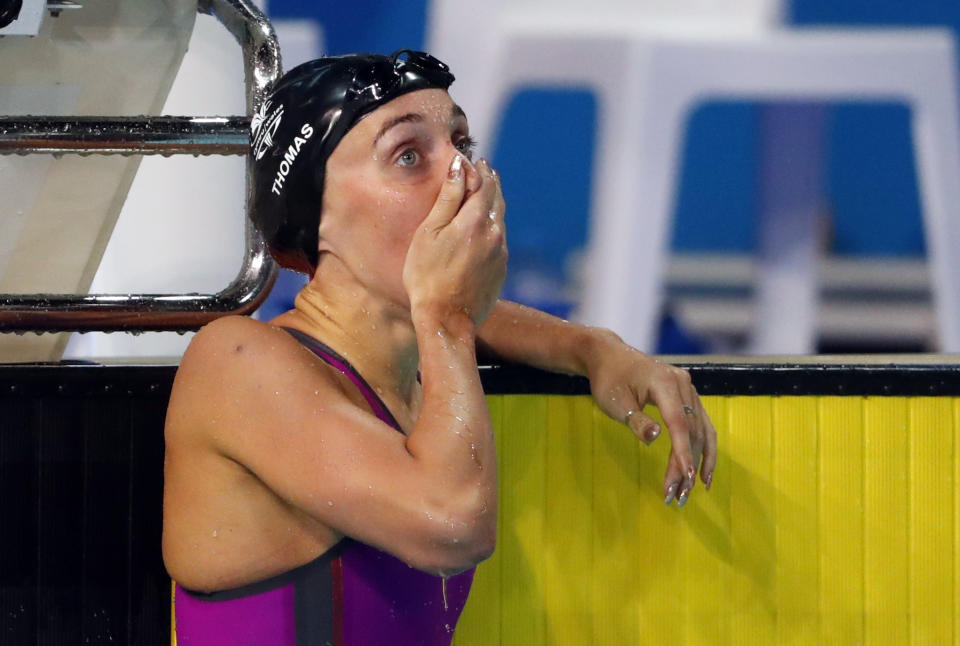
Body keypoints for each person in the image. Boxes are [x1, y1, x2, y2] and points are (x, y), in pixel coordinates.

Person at [162, 50, 717, 645]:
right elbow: (451, 526)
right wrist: (446, 314)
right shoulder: (235, 364)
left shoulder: (412, 355)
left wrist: (597, 350)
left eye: (460, 142)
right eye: (408, 156)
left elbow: (485, 322)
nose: (463, 173)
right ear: (316, 215)